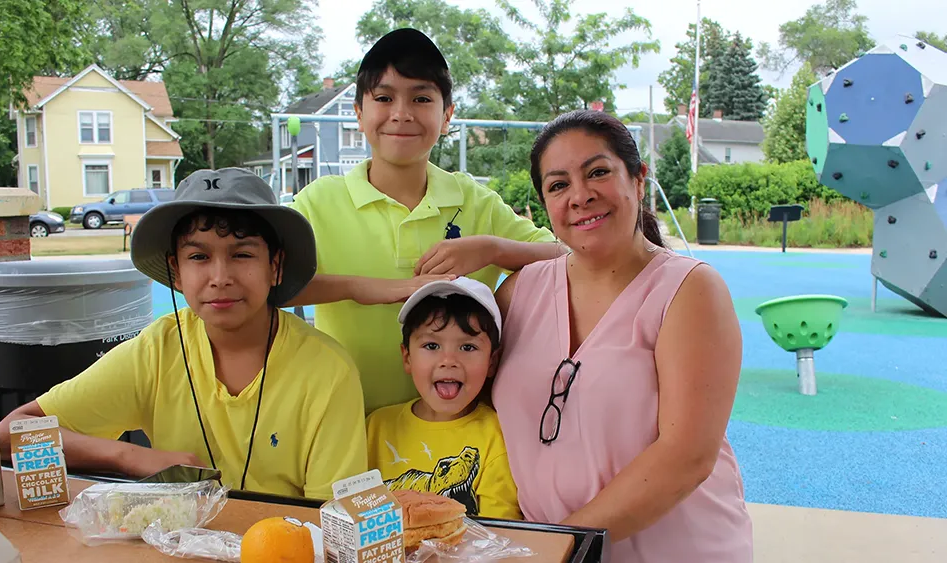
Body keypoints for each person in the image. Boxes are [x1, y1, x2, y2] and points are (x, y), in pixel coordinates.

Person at [0, 168, 368, 500]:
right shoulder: (157, 352)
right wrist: (128, 455)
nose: (220, 277)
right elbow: (10, 434)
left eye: (242, 255)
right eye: (199, 257)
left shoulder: (327, 371)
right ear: (175, 271)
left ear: (276, 266)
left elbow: (330, 519)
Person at [491, 110, 753, 561]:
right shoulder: (518, 293)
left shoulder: (688, 291)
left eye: (598, 173)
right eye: (558, 185)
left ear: (637, 180)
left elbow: (685, 457)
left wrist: (555, 546)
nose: (580, 195)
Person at [287, 28, 562, 414]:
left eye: (421, 98)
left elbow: (568, 255)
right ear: (359, 115)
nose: (401, 113)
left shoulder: (475, 202)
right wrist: (363, 287)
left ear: (447, 115)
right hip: (350, 432)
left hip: (458, 442)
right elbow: (269, 286)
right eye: (384, 98)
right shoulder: (319, 202)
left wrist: (491, 249)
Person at [365, 277, 521, 520]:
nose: (448, 360)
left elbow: (500, 531)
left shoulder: (498, 435)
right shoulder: (376, 427)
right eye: (431, 345)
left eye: (467, 347)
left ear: (492, 361)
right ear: (407, 357)